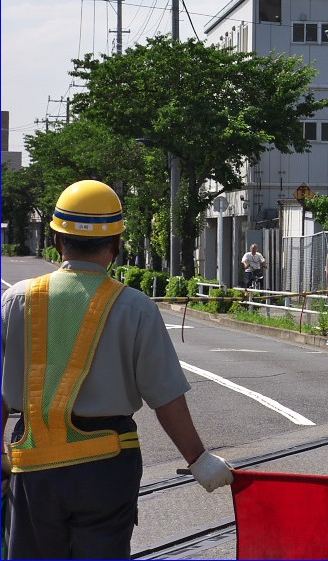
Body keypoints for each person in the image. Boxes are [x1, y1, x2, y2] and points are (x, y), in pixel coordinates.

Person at [1, 179, 233, 559]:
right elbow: (166, 397)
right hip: (106, 465)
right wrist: (198, 459)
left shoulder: (16, 299)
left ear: (57, 240)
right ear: (116, 246)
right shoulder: (135, 307)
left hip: (34, 462)